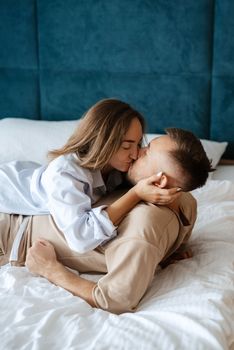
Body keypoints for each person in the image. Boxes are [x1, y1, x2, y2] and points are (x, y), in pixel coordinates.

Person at [0, 127, 214, 314]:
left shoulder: (142, 231)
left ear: (160, 180)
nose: (137, 152)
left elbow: (113, 300)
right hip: (17, 203)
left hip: (13, 233)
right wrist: (167, 252)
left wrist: (51, 270)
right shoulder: (186, 199)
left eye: (146, 152)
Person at [0, 99, 180, 255]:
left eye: (138, 144)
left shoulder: (117, 169)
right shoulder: (65, 174)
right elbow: (80, 239)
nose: (135, 154)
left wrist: (166, 250)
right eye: (126, 146)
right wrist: (136, 194)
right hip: (6, 184)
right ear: (102, 141)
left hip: (29, 173)